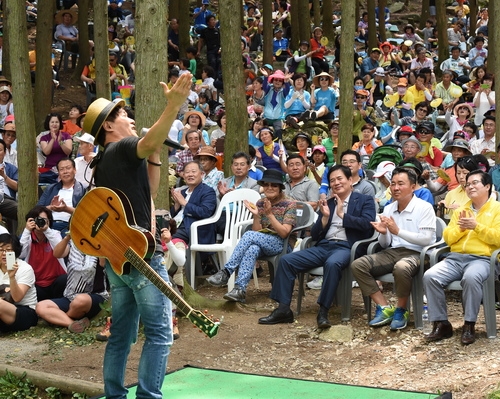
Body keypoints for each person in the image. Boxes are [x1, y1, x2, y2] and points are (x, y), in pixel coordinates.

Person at [81, 73, 192, 398]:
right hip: (142, 257)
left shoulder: (105, 161)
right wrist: (172, 106)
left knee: (122, 335)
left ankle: (115, 395)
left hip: (118, 261)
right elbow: (145, 141)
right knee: (159, 334)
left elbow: (150, 194)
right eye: (123, 115)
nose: (129, 118)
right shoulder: (123, 147)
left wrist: (155, 153)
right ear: (109, 127)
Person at [259, 165, 376, 328]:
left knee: (332, 263)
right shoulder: (328, 203)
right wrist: (324, 219)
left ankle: (323, 311)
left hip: (347, 247)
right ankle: (283, 309)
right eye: (332, 180)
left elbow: (367, 225)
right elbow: (314, 234)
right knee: (287, 261)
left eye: (340, 179)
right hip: (324, 246)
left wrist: (343, 215)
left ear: (350, 180)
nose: (336, 183)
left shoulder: (364, 200)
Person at [423, 170, 500, 345]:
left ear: (487, 186)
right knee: (430, 276)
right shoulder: (461, 210)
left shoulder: (499, 210)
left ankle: (469, 325)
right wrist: (461, 229)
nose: (470, 186)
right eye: (468, 184)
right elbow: (448, 238)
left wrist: (476, 227)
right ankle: (441, 324)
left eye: (475, 183)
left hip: (483, 259)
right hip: (455, 258)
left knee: (471, 277)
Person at [351, 167, 436, 331]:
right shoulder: (389, 208)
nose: (395, 188)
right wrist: (383, 233)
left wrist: (398, 231)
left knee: (402, 267)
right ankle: (384, 307)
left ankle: (401, 309)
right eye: (393, 184)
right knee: (358, 265)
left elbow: (426, 240)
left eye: (400, 184)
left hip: (420, 253)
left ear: (412, 187)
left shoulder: (424, 207)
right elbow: (385, 244)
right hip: (394, 252)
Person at [208, 169, 297, 303]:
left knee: (249, 235)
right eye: (266, 185)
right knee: (252, 249)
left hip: (283, 244)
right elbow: (257, 231)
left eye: (274, 185)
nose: (269, 188)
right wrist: (256, 215)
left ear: (280, 188)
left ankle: (226, 272)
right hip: (264, 241)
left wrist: (269, 215)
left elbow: (284, 233)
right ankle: (239, 289)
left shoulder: (289, 203)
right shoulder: (261, 202)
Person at [35, 234, 108, 333]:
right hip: (69, 297)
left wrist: (101, 245)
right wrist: (67, 237)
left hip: (94, 296)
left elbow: (103, 264)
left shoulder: (99, 245)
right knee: (41, 306)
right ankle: (72, 324)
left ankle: (58, 319)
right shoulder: (72, 244)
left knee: (80, 300)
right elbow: (57, 254)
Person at [19, 206, 67, 302]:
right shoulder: (27, 237)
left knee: (64, 279)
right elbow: (21, 254)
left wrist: (46, 230)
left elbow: (59, 249)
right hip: (37, 284)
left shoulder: (55, 234)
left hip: (56, 282)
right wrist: (27, 230)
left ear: (49, 221)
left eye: (44, 220)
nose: (40, 222)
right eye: (37, 219)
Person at [37, 158, 86, 236]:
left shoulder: (82, 190)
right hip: (48, 224)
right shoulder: (51, 188)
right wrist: (51, 207)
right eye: (62, 169)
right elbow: (37, 210)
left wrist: (66, 209)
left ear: (74, 170)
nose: (65, 172)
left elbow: (85, 214)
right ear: (59, 173)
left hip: (69, 226)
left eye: (68, 168)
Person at [0, 233, 38, 333]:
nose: (4, 253)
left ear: (15, 251)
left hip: (24, 311)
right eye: (1, 250)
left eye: (8, 250)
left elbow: (17, 298)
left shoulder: (25, 268)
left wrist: (12, 277)